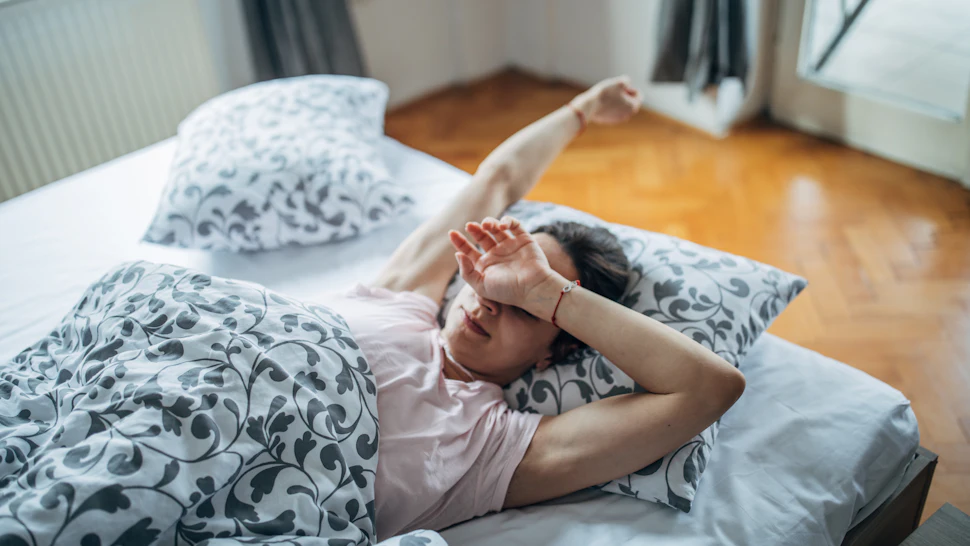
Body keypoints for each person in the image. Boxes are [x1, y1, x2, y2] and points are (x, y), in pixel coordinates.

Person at [326, 76, 746, 539]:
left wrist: (545, 293)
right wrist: (582, 109)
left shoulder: (493, 447)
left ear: (551, 353)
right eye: (498, 275)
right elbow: (498, 180)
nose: (490, 300)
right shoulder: (400, 298)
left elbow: (709, 389)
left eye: (520, 306)